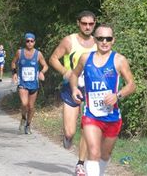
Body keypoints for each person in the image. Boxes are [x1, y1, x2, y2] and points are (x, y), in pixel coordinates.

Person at [70, 24, 135, 176]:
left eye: (108, 38)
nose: (104, 42)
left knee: (105, 155)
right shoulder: (86, 58)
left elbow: (132, 85)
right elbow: (74, 75)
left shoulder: (119, 60)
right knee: (93, 152)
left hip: (112, 116)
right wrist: (74, 89)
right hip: (91, 114)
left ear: (113, 40)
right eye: (100, 38)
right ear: (95, 40)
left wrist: (117, 95)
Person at [49, 10, 97, 176]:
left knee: (87, 126)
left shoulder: (100, 42)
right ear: (78, 23)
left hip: (92, 90)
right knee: (70, 131)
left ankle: (80, 164)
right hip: (71, 88)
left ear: (95, 24)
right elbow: (53, 58)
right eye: (84, 23)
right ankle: (67, 137)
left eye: (91, 24)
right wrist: (66, 72)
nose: (87, 27)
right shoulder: (69, 41)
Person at [11, 33, 48, 134]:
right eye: (27, 41)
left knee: (31, 107)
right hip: (23, 83)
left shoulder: (38, 54)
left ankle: (28, 125)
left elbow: (45, 65)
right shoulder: (20, 52)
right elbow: (13, 62)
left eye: (32, 41)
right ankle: (23, 118)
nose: (29, 43)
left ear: (34, 42)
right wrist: (14, 73)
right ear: (25, 42)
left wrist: (41, 72)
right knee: (24, 103)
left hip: (34, 84)